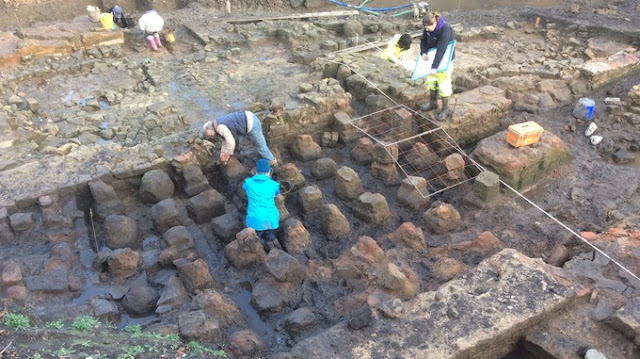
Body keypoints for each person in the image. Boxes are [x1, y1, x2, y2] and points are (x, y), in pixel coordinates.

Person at [202, 110, 277, 166]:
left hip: (252, 123)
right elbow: (224, 141)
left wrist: (227, 154)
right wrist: (223, 153)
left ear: (211, 129)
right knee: (257, 144)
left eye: (210, 134)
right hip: (247, 117)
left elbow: (230, 142)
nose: (211, 136)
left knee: (261, 147)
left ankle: (272, 162)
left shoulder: (220, 128)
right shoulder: (216, 125)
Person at [419, 12, 455, 121]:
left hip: (445, 59)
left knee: (443, 83)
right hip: (431, 56)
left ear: (435, 23)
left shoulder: (446, 29)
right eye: (425, 28)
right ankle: (433, 103)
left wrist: (435, 67)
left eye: (429, 28)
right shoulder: (427, 29)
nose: (427, 30)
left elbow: (442, 49)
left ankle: (445, 108)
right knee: (431, 81)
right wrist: (423, 52)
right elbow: (423, 40)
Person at [243, 159, 281, 252]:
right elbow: (277, 192)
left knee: (257, 237)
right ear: (269, 171)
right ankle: (272, 240)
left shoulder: (248, 182)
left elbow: (245, 187)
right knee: (270, 233)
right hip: (271, 220)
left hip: (254, 221)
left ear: (256, 171)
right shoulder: (274, 185)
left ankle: (262, 244)